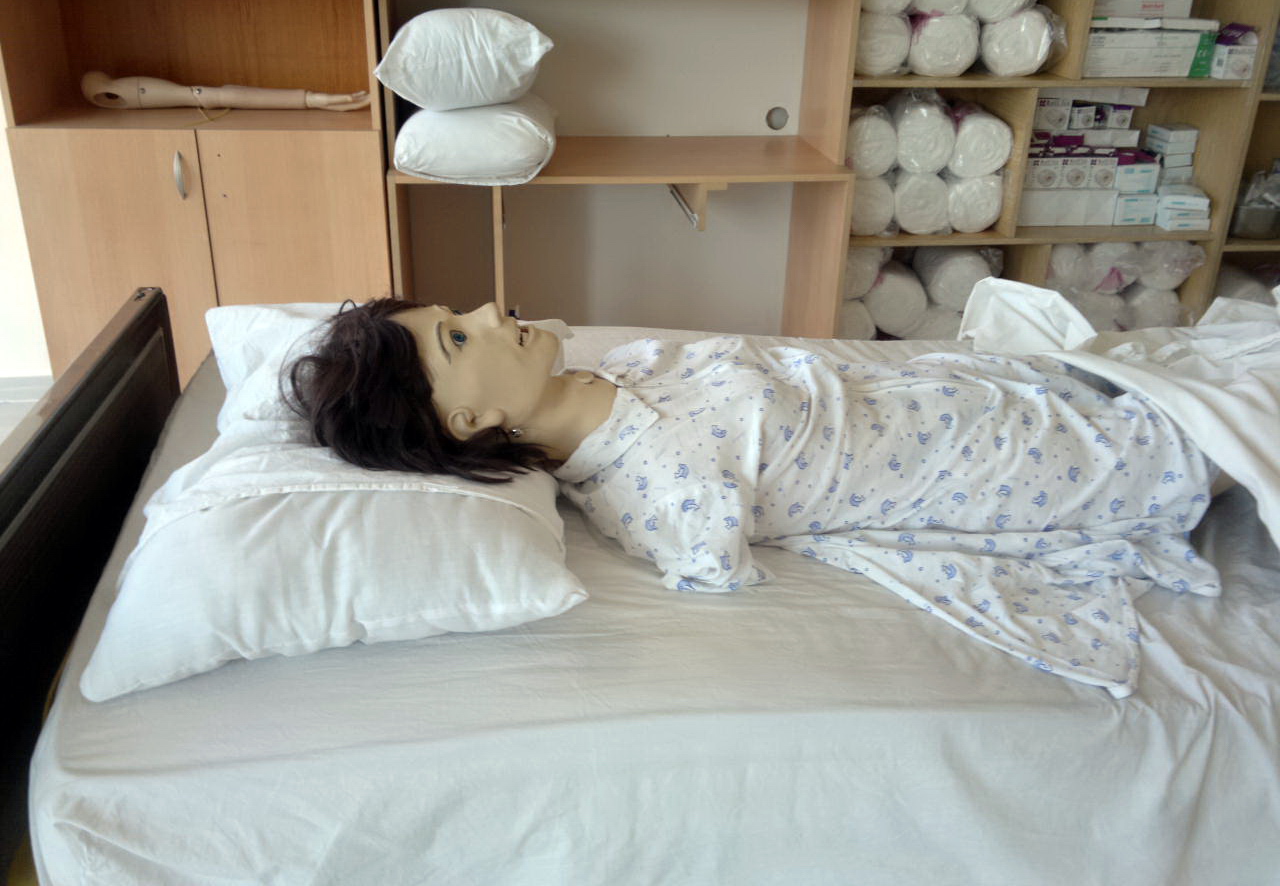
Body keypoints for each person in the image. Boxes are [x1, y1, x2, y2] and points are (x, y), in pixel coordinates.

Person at [289, 297, 1225, 695]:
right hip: (983, 461)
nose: (492, 312)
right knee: (1203, 440)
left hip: (952, 392)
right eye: (458, 338)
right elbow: (710, 560)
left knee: (1166, 381)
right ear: (468, 420)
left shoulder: (619, 367)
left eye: (459, 312)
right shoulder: (655, 486)